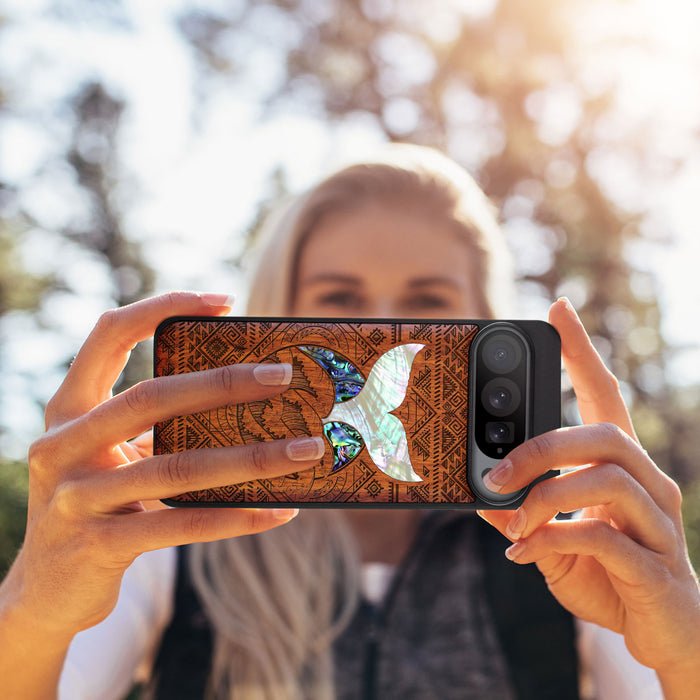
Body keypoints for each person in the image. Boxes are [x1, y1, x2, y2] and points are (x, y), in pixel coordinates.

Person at [0, 145, 698, 700]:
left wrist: (685, 648)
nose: (379, 328)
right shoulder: (170, 533)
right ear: (279, 314)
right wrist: (34, 607)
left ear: (487, 323)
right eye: (339, 298)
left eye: (427, 302)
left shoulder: (567, 544)